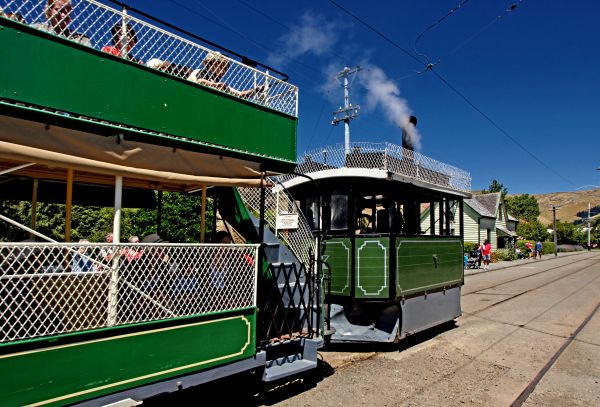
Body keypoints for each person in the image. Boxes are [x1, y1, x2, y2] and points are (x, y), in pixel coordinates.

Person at [187, 51, 264, 98]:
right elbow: (200, 81)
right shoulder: (201, 72)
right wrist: (215, 85)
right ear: (212, 64)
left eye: (226, 68)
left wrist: (255, 90)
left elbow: (240, 94)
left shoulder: (221, 84)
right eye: (222, 66)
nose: (224, 71)